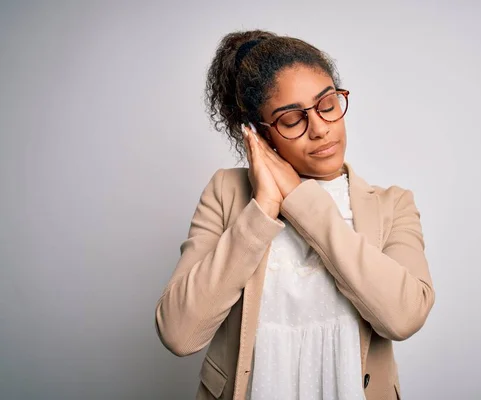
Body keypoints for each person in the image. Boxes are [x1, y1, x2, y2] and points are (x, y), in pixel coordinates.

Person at [155, 29, 435, 400]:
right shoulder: (226, 192)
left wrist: (302, 200)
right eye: (292, 120)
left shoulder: (393, 204)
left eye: (328, 104)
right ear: (260, 134)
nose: (319, 129)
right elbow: (179, 333)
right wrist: (264, 207)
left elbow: (404, 317)